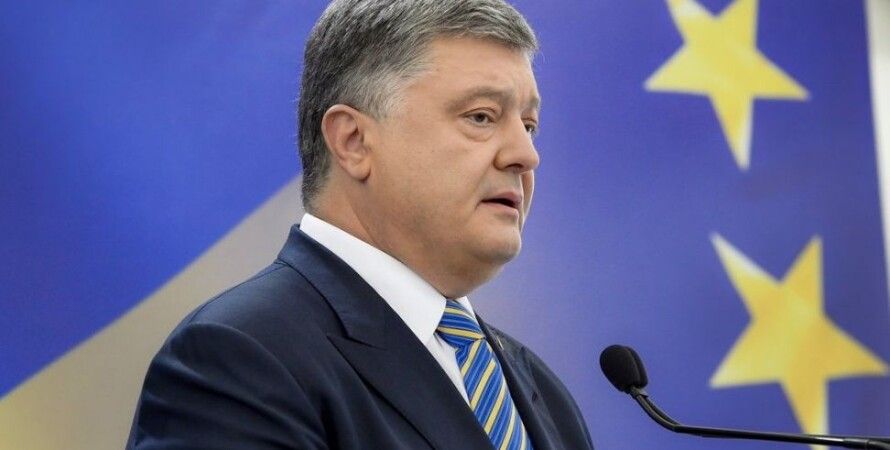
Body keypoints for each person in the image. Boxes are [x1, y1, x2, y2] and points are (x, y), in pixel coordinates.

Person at [127, 0, 593, 448]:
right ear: (353, 141)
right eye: (481, 117)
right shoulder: (238, 359)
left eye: (529, 125)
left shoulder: (541, 392)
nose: (525, 155)